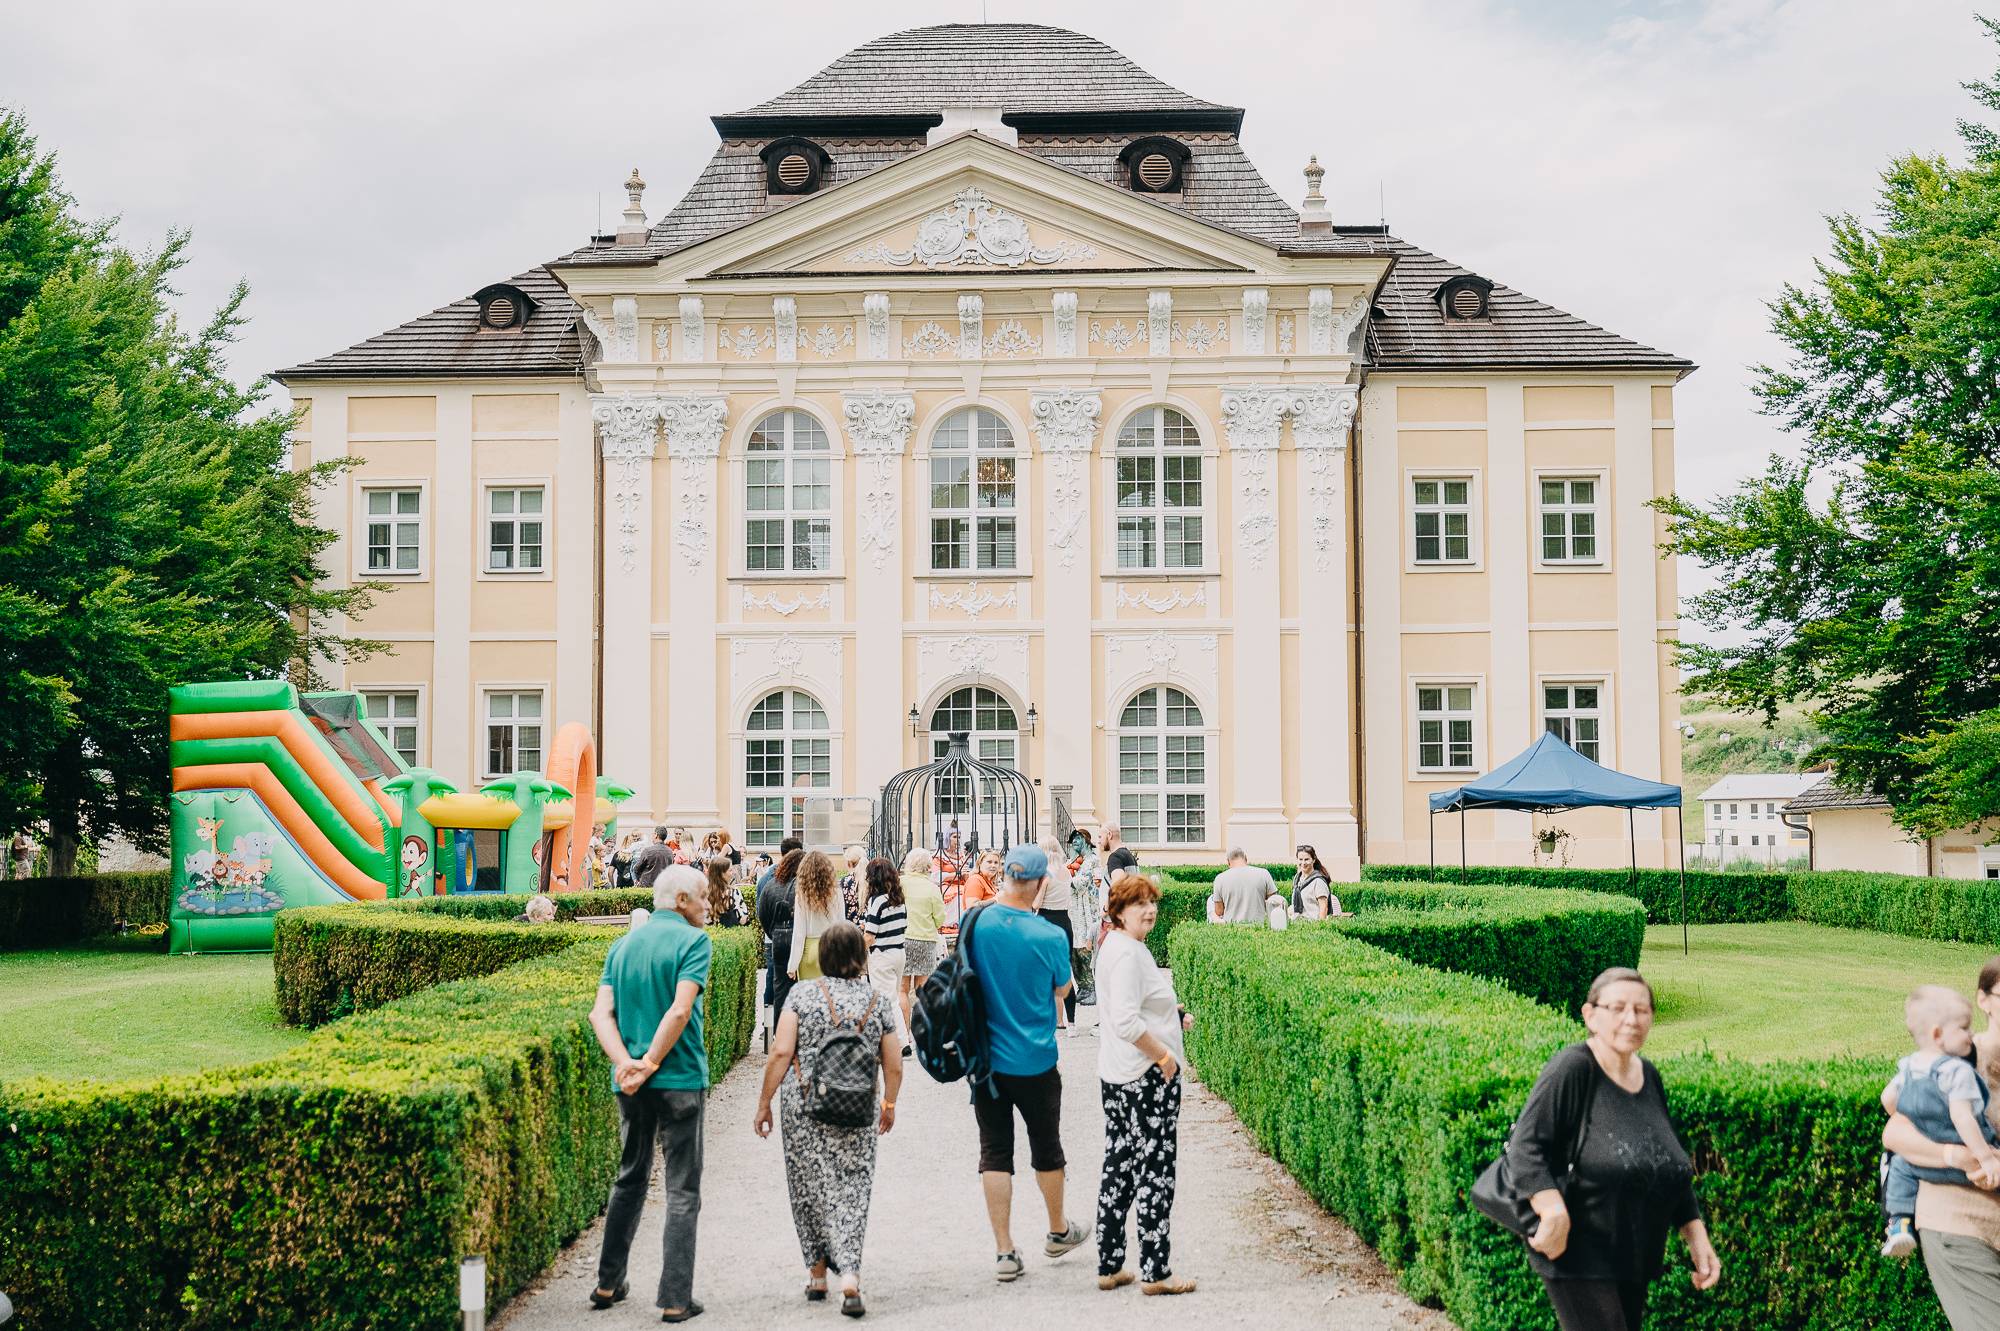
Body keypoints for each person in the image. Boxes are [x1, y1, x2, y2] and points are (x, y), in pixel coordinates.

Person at [1506, 967, 1719, 1331]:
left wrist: (1695, 1234)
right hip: (1578, 1247)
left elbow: (1665, 1159)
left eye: (1641, 1009)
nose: (1630, 1019)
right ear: (1590, 1015)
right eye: (1617, 1007)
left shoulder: (1647, 1074)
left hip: (1634, 1249)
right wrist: (1553, 1210)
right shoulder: (1573, 1068)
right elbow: (1525, 1146)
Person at [754, 923, 902, 1318]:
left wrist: (764, 1102)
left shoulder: (802, 995)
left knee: (807, 1187)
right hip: (858, 1107)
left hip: (804, 1106)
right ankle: (850, 1275)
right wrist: (888, 1104)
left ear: (823, 956)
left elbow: (781, 1053)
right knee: (853, 1187)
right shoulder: (878, 1001)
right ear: (862, 956)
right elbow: (894, 1065)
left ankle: (817, 1275)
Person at [586, 864, 714, 1322]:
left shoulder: (621, 946)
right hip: (678, 1077)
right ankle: (676, 1298)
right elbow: (680, 1010)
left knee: (629, 1177)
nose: (708, 903)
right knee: (682, 1188)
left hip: (630, 1084)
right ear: (681, 900)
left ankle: (607, 1282)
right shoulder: (694, 941)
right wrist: (652, 1062)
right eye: (703, 896)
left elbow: (600, 1015)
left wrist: (626, 1064)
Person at [963, 843, 1090, 1283]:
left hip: (987, 1060)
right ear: (1039, 883)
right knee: (1047, 1148)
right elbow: (1061, 992)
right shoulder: (1050, 936)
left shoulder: (975, 922)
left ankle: (1004, 1251)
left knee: (994, 1152)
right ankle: (1057, 1230)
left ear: (1006, 878)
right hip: (1035, 1058)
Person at [1094, 872, 1196, 1296]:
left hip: (1119, 1076)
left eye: (1152, 902)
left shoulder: (1119, 947)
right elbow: (1125, 1021)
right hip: (1145, 1078)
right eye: (1140, 904)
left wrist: (1173, 1013)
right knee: (1156, 1171)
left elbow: (1136, 1006)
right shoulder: (1127, 954)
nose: (1150, 910)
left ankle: (1111, 1263)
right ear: (1119, 912)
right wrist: (1164, 1055)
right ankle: (1156, 1271)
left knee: (1119, 1167)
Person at [1885, 958, 2000, 1327]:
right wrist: (1959, 1155)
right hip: (1963, 1226)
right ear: (1984, 1000)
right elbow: (1896, 1133)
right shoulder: (1956, 1059)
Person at [860, 855, 912, 1053]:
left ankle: (902, 1042)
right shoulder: (899, 900)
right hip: (899, 951)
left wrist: (857, 951)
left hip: (882, 954)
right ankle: (891, 1039)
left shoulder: (877, 901)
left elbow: (870, 936)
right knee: (892, 998)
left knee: (886, 1000)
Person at [1033, 836, 1080, 1033]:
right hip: (1064, 922)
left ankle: (1050, 1019)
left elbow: (1036, 904)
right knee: (1063, 973)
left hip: (1046, 922)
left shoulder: (1044, 874)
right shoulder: (1066, 873)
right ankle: (1069, 1022)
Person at [759, 840, 805, 1024]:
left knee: (780, 989)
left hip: (779, 940)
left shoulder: (770, 884)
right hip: (803, 943)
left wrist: (774, 933)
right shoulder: (804, 886)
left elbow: (762, 915)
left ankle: (780, 1031)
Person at [899, 848, 947, 1024]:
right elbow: (940, 918)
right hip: (925, 940)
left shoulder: (899, 883)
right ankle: (921, 1028)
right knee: (923, 989)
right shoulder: (932, 888)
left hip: (902, 938)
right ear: (928, 866)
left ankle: (905, 1031)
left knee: (902, 989)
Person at [787, 851, 845, 985]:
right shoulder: (837, 893)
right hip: (832, 947)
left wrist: (792, 965)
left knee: (809, 1000)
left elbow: (799, 934)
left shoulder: (801, 896)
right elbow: (843, 925)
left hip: (810, 951)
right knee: (831, 999)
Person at [1207, 848, 1276, 925]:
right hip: (1259, 928)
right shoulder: (1264, 873)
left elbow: (1219, 912)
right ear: (1246, 858)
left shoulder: (1220, 878)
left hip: (1232, 929)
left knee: (1210, 900)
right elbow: (1274, 903)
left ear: (1228, 862)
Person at [1292, 845, 1337, 920]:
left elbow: (1324, 909)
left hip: (1313, 926)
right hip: (1298, 925)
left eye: (1306, 859)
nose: (1303, 863)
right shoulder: (1297, 879)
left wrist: (1320, 927)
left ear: (1313, 860)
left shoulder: (1318, 882)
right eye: (1300, 859)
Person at [704, 857, 748, 929]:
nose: (733, 872)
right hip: (730, 936)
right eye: (730, 870)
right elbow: (742, 920)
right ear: (721, 874)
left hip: (709, 935)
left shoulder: (703, 893)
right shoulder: (733, 892)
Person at [632, 825, 674, 890]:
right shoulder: (670, 851)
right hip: (663, 888)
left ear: (656, 835)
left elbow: (636, 869)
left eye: (653, 834)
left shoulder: (648, 851)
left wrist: (640, 880)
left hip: (647, 888)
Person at [838, 845, 866, 925]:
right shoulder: (873, 879)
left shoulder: (846, 882)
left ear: (849, 863)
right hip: (870, 928)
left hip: (851, 930)